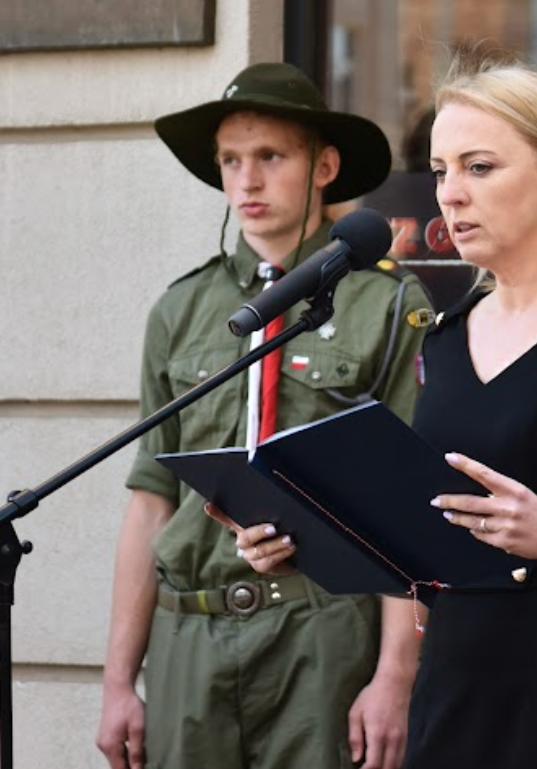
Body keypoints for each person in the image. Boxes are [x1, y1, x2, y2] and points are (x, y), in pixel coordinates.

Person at [237, 58, 537, 768]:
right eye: (440, 170)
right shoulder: (449, 333)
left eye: (480, 167)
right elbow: (427, 552)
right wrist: (303, 537)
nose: (451, 195)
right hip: (455, 690)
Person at [96, 62, 433, 769]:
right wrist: (119, 682)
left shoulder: (387, 307)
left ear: (325, 166)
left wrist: (394, 676)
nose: (246, 181)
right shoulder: (181, 310)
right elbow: (151, 501)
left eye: (270, 157)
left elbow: (408, 510)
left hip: (323, 632)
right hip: (190, 632)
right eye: (231, 161)